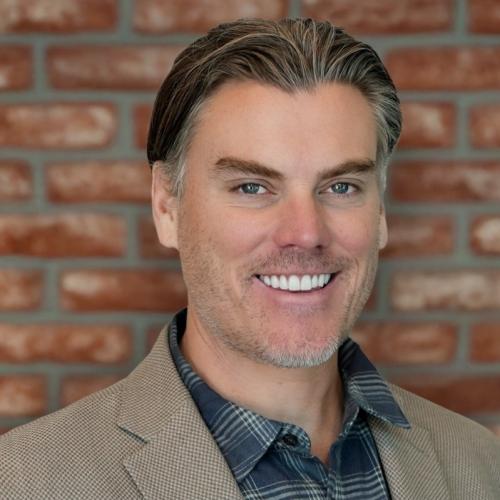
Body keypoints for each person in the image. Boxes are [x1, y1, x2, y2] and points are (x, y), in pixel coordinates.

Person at [0, 18, 499, 500]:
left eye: (342, 186)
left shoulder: (481, 465)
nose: (305, 233)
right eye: (252, 187)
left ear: (381, 210)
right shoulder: (25, 483)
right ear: (166, 206)